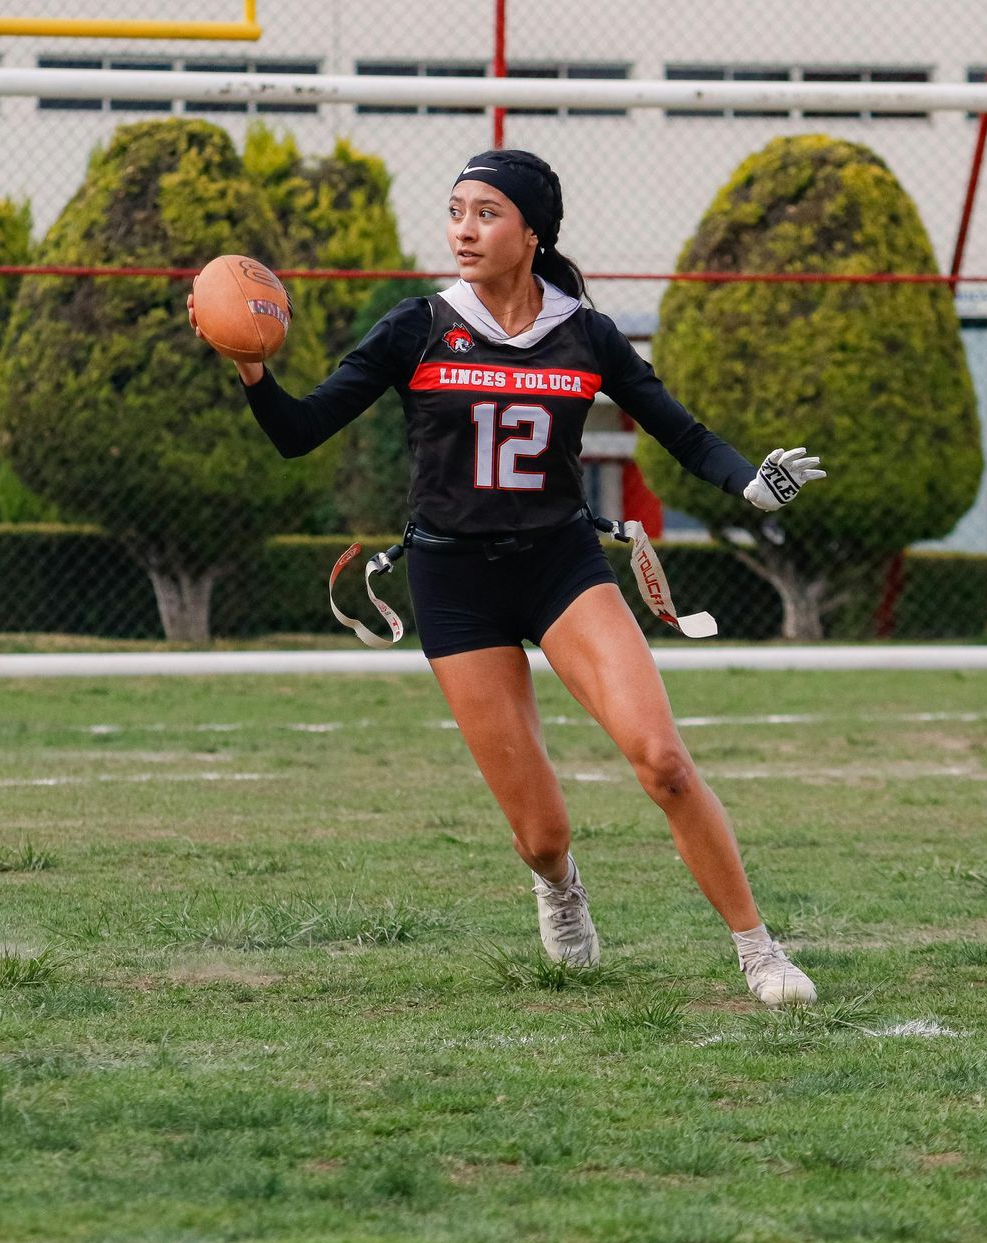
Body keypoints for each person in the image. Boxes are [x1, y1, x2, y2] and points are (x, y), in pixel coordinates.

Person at [190, 149, 827, 1006]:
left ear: (532, 232)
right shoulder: (415, 325)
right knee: (541, 831)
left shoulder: (586, 331)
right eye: (455, 210)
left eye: (486, 213)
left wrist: (751, 480)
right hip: (456, 584)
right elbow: (300, 432)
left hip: (560, 566)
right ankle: (560, 887)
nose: (463, 228)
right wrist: (252, 369)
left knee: (664, 761)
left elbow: (679, 430)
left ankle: (759, 951)